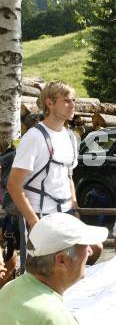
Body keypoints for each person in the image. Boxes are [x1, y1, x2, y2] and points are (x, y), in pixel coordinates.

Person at [7, 81, 102, 265]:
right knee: (53, 267)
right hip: (42, 214)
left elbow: (68, 177)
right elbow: (14, 185)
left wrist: (75, 210)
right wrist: (35, 223)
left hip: (66, 212)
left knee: (94, 249)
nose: (73, 105)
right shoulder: (34, 137)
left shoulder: (70, 137)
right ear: (49, 103)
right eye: (66, 101)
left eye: (73, 100)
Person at [0, 212, 108, 324]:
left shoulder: (9, 288)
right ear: (61, 260)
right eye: (86, 246)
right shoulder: (55, 317)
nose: (90, 251)